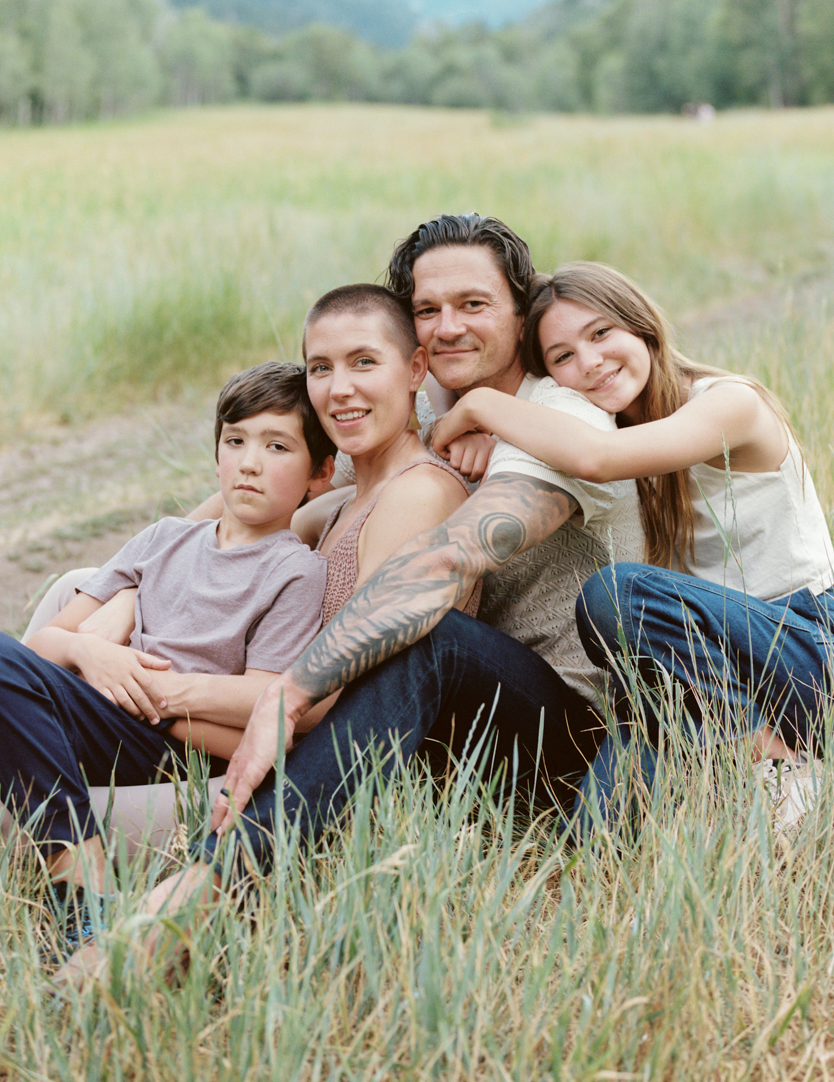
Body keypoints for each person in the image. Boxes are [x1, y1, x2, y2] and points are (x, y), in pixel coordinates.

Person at [61, 214, 646, 983]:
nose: (447, 328)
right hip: (436, 728)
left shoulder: (554, 417)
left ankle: (205, 890)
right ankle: (94, 842)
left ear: (521, 309)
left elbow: (443, 561)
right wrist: (130, 573)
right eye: (428, 311)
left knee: (423, 641)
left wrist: (287, 693)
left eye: (473, 305)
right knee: (67, 599)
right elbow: (289, 496)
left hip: (562, 731)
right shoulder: (429, 417)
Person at [431, 260, 834, 835]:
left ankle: (775, 761)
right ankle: (724, 763)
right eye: (562, 357)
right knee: (595, 833)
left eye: (602, 333)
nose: (590, 363)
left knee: (616, 592)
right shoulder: (609, 427)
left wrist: (479, 407)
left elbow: (595, 458)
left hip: (802, 649)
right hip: (695, 671)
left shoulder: (728, 402)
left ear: (643, 327)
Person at [0, 360, 333, 931]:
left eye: (278, 447)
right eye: (235, 441)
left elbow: (267, 699)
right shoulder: (165, 538)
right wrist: (92, 654)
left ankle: (80, 884)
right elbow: (50, 642)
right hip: (101, 706)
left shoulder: (294, 572)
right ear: (217, 454)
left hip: (168, 744)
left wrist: (152, 699)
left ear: (320, 473)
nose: (249, 463)